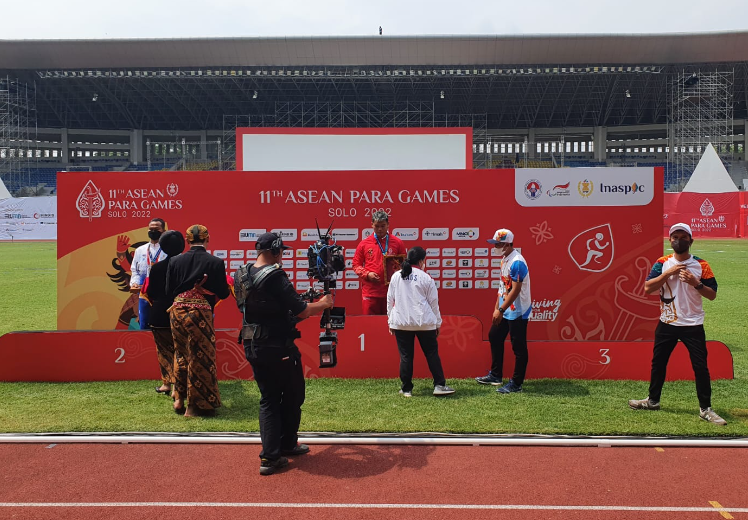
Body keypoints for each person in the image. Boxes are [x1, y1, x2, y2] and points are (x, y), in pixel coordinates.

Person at [237, 232, 334, 475]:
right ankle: (275, 453)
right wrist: (323, 304)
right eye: (282, 251)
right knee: (290, 396)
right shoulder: (275, 275)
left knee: (269, 396)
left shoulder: (242, 273)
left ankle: (280, 448)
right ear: (275, 250)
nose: (283, 256)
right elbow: (302, 311)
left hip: (252, 344)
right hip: (277, 346)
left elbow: (258, 307)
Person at [628, 223, 726, 425]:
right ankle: (653, 401)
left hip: (693, 324)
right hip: (667, 322)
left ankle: (705, 409)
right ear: (669, 240)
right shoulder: (662, 262)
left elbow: (713, 295)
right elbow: (647, 288)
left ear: (691, 240)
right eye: (674, 237)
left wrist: (695, 283)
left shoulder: (702, 265)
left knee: (700, 367)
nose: (678, 240)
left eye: (682, 236)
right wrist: (667, 274)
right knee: (658, 363)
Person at [166, 224, 230, 417]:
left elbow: (169, 291)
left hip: (177, 311)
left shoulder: (175, 261)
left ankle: (179, 398)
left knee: (180, 352)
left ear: (187, 240)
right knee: (200, 356)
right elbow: (224, 294)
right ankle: (194, 407)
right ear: (207, 239)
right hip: (200, 313)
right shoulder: (215, 262)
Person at [387, 246, 454, 398]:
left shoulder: (396, 276)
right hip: (424, 322)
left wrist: (391, 321)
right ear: (421, 260)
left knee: (405, 356)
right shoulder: (426, 277)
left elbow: (390, 300)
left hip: (401, 322)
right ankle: (439, 385)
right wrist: (437, 323)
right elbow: (434, 304)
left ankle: (406, 389)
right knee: (431, 354)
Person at [475, 229, 532, 394]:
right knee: (495, 336)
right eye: (494, 244)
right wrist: (497, 307)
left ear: (507, 244)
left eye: (498, 244)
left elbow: (515, 290)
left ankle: (516, 383)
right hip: (506, 308)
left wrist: (501, 309)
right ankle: (496, 375)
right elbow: (503, 287)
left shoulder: (517, 262)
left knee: (518, 347)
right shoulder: (504, 259)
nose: (495, 247)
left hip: (518, 310)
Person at [145, 230, 185, 399]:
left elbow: (151, 293)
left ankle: (166, 384)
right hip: (182, 312)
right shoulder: (186, 267)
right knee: (181, 350)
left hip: (160, 313)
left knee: (163, 350)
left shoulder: (157, 268)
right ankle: (177, 386)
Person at [352, 210, 406, 315]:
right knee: (370, 325)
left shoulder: (398, 243)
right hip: (371, 292)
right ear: (372, 225)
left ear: (388, 225)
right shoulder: (364, 244)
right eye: (377, 226)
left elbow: (404, 264)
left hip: (391, 292)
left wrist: (398, 271)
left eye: (383, 226)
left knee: (391, 324)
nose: (380, 229)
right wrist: (367, 274)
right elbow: (356, 265)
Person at [130, 218, 168, 329]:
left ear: (163, 231)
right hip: (144, 294)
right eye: (150, 229)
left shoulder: (169, 250)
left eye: (156, 229)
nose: (153, 231)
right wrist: (135, 283)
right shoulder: (140, 250)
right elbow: (135, 270)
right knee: (144, 324)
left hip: (163, 294)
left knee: (162, 326)